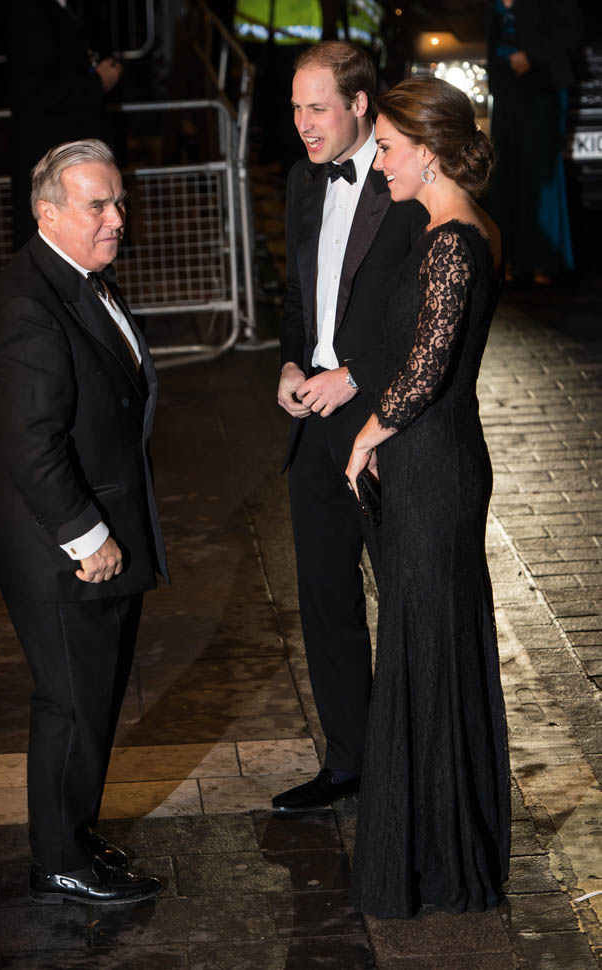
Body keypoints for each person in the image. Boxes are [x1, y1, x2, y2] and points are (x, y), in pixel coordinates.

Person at [0, 139, 168, 905]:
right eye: (97, 205)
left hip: (95, 534)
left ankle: (73, 833)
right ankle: (56, 860)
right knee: (71, 704)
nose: (117, 217)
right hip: (62, 550)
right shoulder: (30, 302)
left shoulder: (78, 277)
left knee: (94, 700)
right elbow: (31, 442)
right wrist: (90, 538)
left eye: (119, 201)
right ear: (47, 213)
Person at [345, 76, 510, 918]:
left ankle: (439, 862)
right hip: (438, 459)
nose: (379, 163)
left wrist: (367, 435)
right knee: (431, 646)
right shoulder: (464, 228)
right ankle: (442, 850)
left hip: (434, 467)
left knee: (426, 647)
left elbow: (426, 370)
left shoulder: (450, 242)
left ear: (429, 152)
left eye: (386, 148)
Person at [273, 41, 427, 812]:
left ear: (360, 104)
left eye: (318, 108)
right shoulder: (302, 180)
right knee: (325, 597)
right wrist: (290, 365)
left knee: (402, 595)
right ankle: (349, 761)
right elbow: (297, 294)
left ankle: (415, 763)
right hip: (314, 428)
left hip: (383, 426)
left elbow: (426, 319)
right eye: (296, 108)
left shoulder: (405, 181)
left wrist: (355, 375)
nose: (303, 123)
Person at [8, 0, 124, 249]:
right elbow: (34, 92)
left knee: (79, 242)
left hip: (70, 155)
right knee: (54, 242)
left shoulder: (70, 9)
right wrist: (97, 82)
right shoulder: (30, 13)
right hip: (52, 157)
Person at [486, 0, 583, 284]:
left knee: (540, 174)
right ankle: (508, 260)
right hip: (506, 88)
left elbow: (573, 29)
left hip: (543, 84)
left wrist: (532, 55)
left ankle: (544, 259)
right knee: (505, 172)